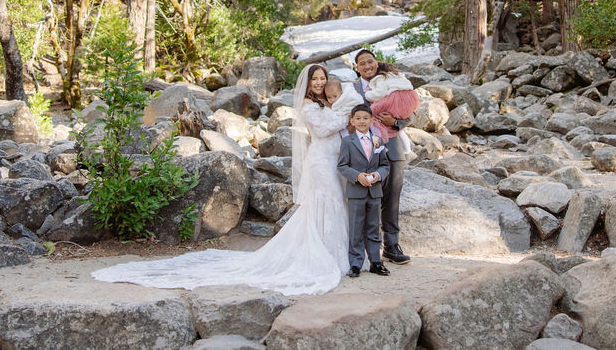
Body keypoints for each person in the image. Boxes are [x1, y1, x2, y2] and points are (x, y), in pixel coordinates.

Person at [90, 64, 363, 295]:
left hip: (333, 158)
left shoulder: (324, 101)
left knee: (337, 202)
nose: (319, 83)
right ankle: (325, 256)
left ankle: (340, 252)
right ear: (307, 83)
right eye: (315, 79)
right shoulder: (306, 104)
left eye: (322, 79)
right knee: (325, 202)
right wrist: (346, 117)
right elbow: (323, 128)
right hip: (320, 161)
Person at [353, 49, 412, 265]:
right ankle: (369, 248)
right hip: (364, 150)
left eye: (370, 61)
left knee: (392, 196)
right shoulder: (352, 89)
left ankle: (392, 245)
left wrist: (394, 122)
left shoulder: (391, 81)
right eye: (362, 63)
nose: (367, 66)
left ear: (376, 62)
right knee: (368, 198)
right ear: (356, 68)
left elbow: (410, 111)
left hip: (393, 146)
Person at [337, 104, 391, 278]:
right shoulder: (347, 141)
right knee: (356, 228)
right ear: (352, 121)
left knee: (374, 227)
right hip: (356, 192)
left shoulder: (378, 140)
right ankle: (355, 263)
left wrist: (378, 175)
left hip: (375, 192)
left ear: (372, 120)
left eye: (365, 118)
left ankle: (376, 261)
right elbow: (342, 165)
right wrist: (357, 175)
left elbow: (385, 165)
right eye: (358, 118)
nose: (361, 121)